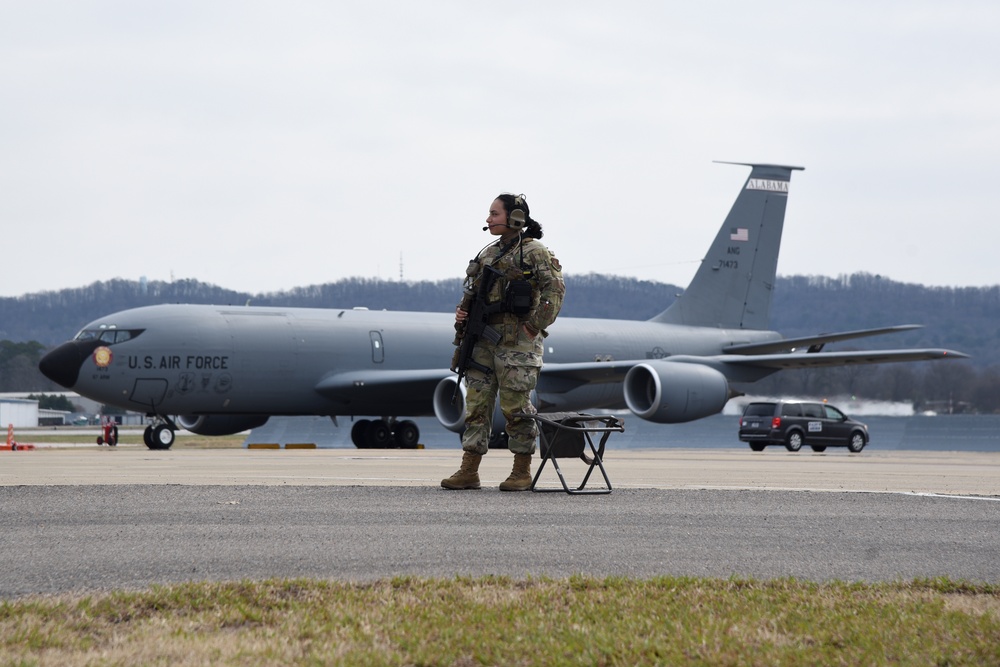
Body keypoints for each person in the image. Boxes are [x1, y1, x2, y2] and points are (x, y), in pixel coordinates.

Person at [441, 193, 565, 491]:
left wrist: (535, 326)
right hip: (483, 339)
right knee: (476, 405)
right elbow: (473, 295)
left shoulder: (535, 252)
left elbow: (555, 291)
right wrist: (462, 315)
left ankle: (521, 471)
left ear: (515, 218)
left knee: (515, 406)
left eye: (494, 214)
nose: (488, 219)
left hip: (517, 344)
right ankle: (469, 470)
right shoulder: (487, 254)